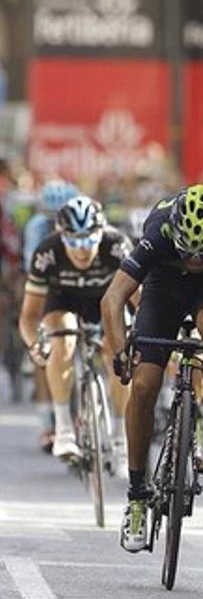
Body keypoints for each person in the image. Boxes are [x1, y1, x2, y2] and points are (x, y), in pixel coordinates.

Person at [101, 184, 203, 553]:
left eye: (202, 252)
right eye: (187, 251)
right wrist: (120, 352)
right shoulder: (159, 229)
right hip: (163, 288)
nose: (194, 260)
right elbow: (112, 298)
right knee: (144, 386)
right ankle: (137, 496)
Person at [19, 196, 132, 465]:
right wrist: (35, 344)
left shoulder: (116, 246)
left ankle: (119, 433)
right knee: (63, 341)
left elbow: (140, 300)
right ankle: (64, 428)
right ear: (61, 235)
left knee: (119, 353)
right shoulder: (47, 252)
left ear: (100, 233)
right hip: (63, 301)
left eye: (89, 241)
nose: (82, 250)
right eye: (74, 242)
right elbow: (29, 315)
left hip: (106, 300)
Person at [25, 180, 79, 452]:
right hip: (50, 285)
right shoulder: (36, 228)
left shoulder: (82, 223)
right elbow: (32, 270)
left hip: (80, 285)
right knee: (47, 348)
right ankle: (46, 419)